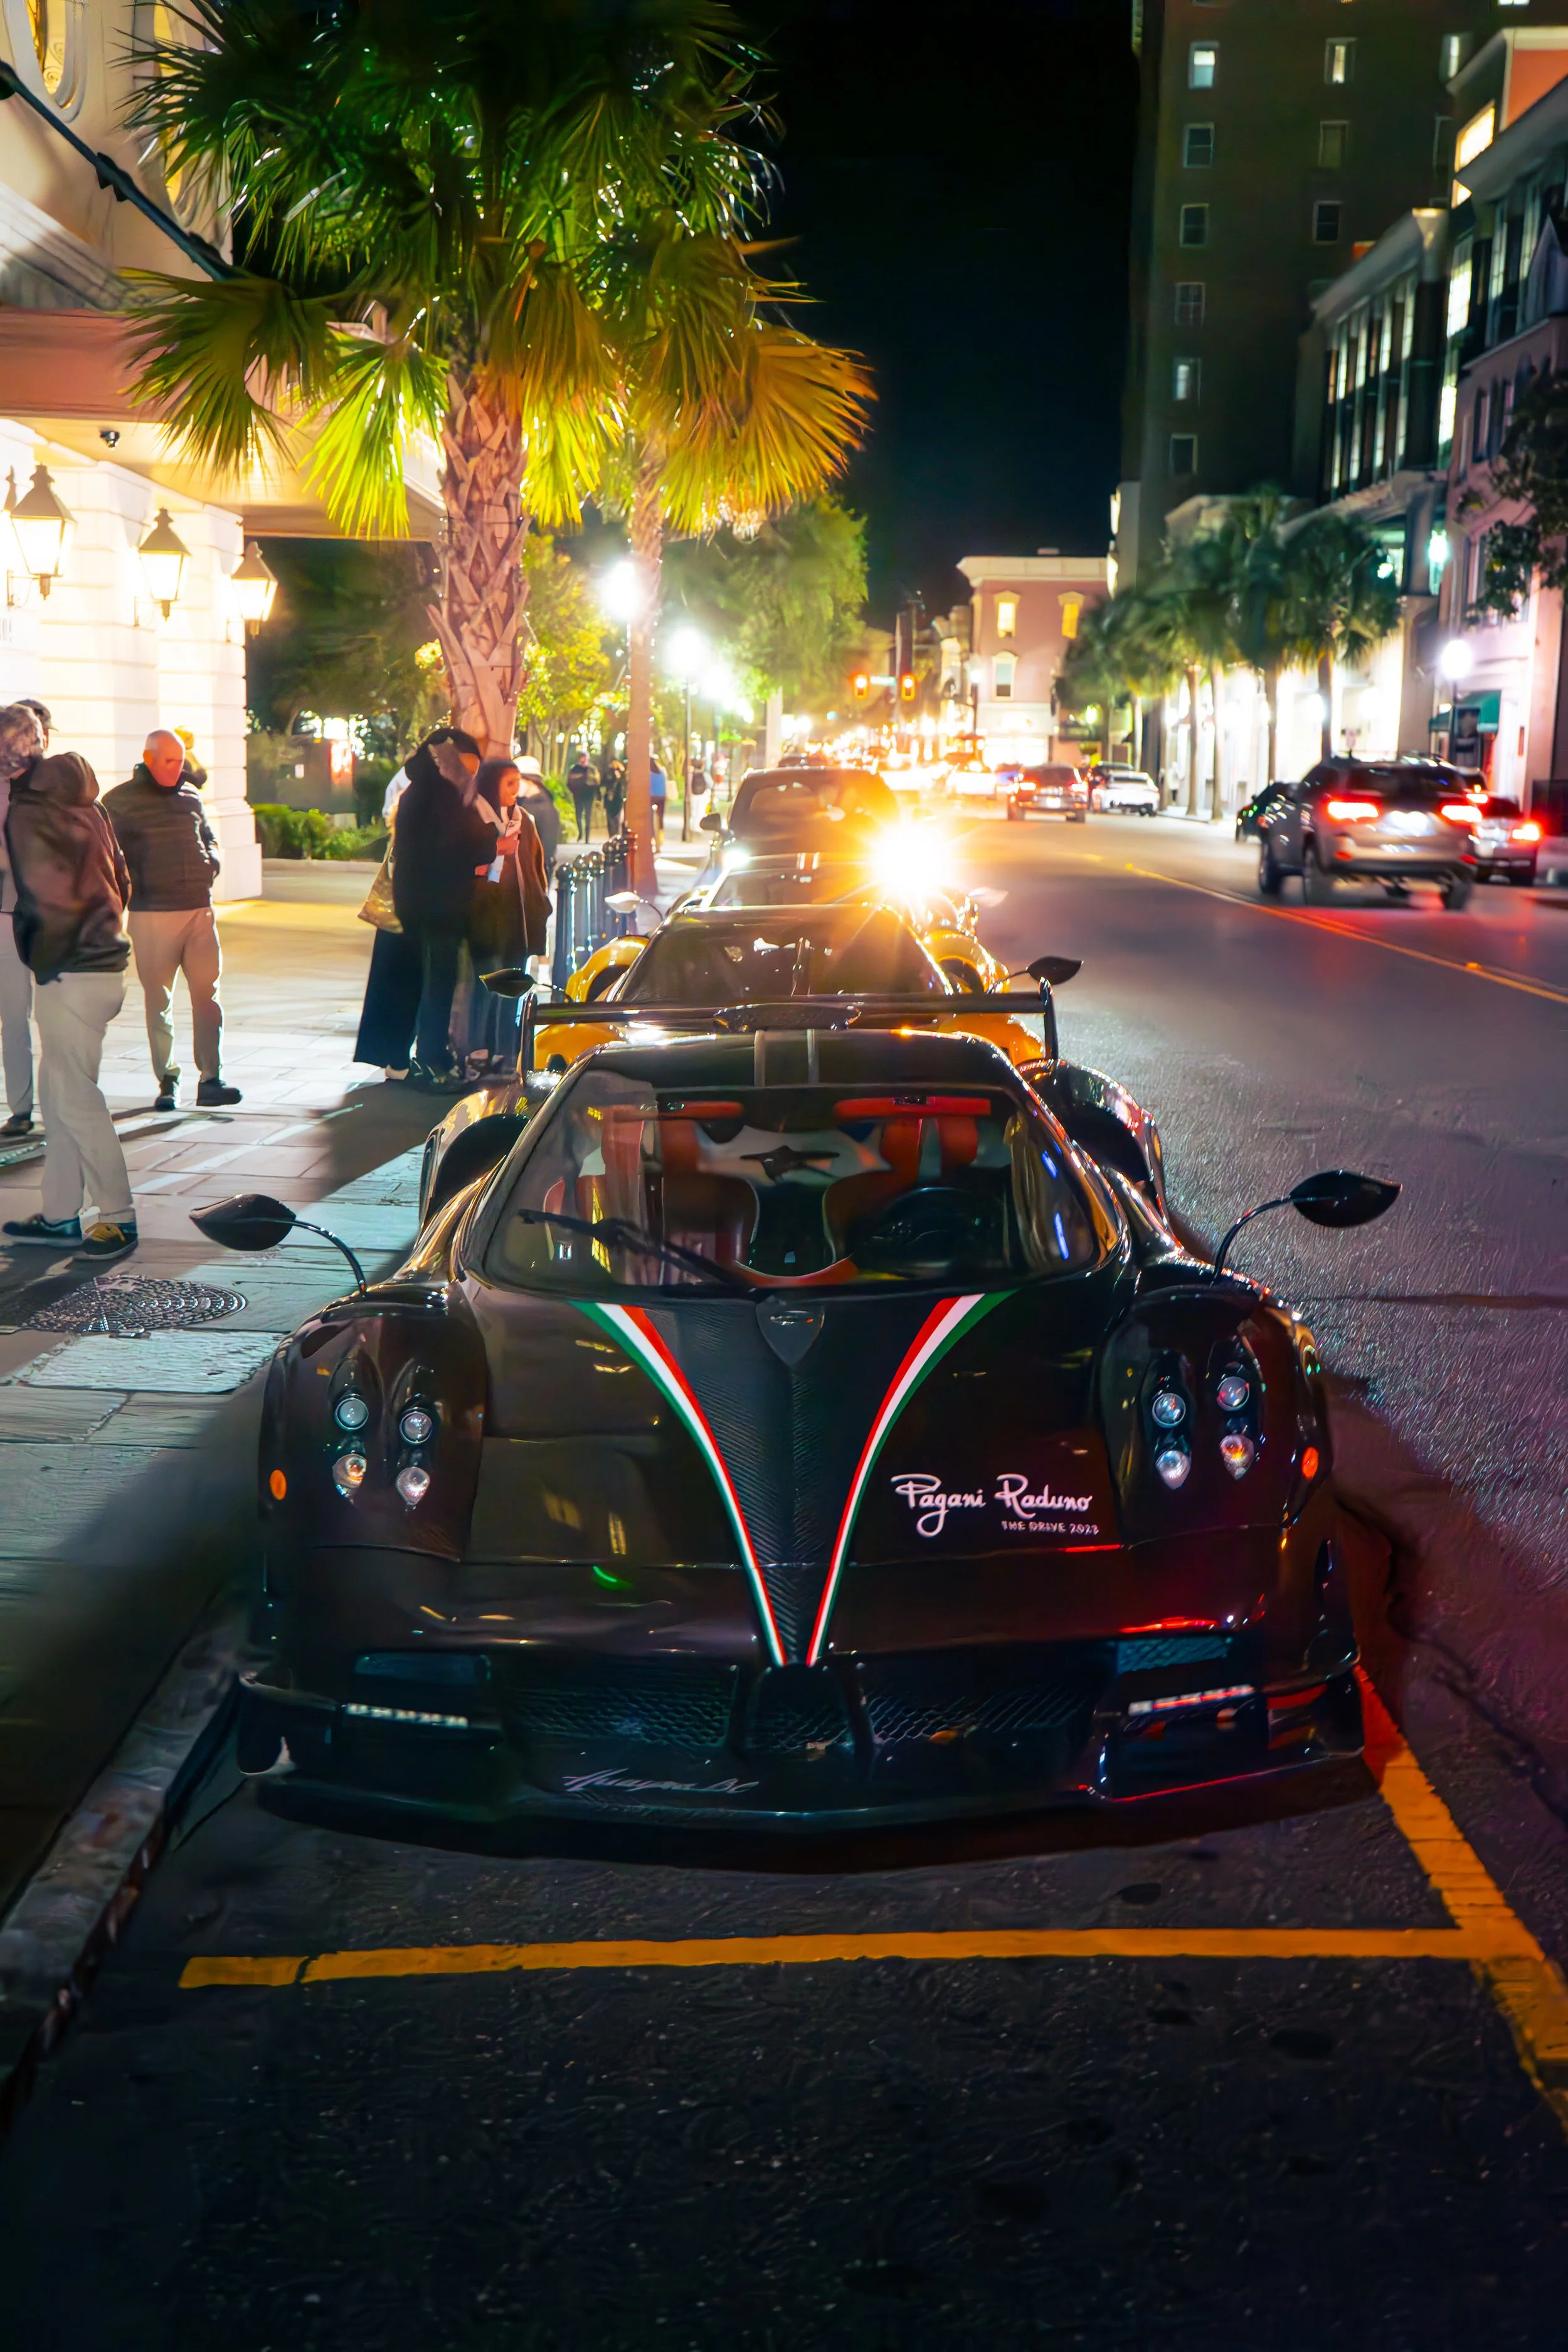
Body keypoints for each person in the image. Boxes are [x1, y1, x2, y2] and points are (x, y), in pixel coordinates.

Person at [0, 704, 138, 1260]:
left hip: (71, 970)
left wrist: (44, 954)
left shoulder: (29, 812)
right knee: (59, 1093)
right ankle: (61, 1213)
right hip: (100, 964)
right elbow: (122, 877)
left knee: (76, 1099)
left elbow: (47, 894)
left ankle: (119, 1216)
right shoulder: (86, 798)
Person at [101, 728, 239, 1112]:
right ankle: (168, 1079)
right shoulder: (118, 802)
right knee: (158, 999)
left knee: (207, 995)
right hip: (151, 914)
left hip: (199, 910)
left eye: (180, 761)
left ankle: (211, 1079)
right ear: (148, 759)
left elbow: (209, 836)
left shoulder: (190, 795)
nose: (178, 768)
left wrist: (212, 863)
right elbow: (105, 854)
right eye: (169, 761)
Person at [389, 726, 488, 1089]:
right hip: (437, 904)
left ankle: (431, 1058)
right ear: (447, 759)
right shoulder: (442, 794)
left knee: (433, 981)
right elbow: (462, 844)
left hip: (421, 902)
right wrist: (491, 841)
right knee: (438, 984)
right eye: (466, 763)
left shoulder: (421, 790)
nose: (471, 772)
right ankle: (431, 1061)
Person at [469, 758, 551, 1069]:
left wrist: (540, 904)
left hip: (520, 918)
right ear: (492, 784)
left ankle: (507, 1050)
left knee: (514, 985)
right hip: (485, 918)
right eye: (509, 783)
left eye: (518, 783)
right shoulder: (477, 819)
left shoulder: (524, 820)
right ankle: (480, 1048)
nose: (516, 790)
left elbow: (536, 866)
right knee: (486, 983)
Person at [514, 756, 561, 867]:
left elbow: (547, 849)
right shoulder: (523, 803)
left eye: (517, 780)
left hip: (534, 873)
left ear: (530, 780)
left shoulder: (545, 808)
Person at [567, 751, 596, 842]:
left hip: (589, 796)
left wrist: (596, 793)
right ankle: (581, 834)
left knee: (588, 816)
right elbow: (570, 782)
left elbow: (597, 782)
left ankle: (587, 837)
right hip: (578, 795)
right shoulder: (575, 769)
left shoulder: (592, 769)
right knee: (579, 815)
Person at [601, 758, 626, 836]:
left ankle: (615, 834)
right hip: (613, 799)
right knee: (613, 818)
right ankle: (614, 835)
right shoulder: (609, 774)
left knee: (616, 818)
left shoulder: (622, 775)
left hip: (615, 799)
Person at [648, 755, 667, 849]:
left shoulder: (648, 773)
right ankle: (660, 841)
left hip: (652, 798)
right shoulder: (662, 771)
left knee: (650, 821)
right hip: (662, 797)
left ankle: (654, 841)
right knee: (660, 819)